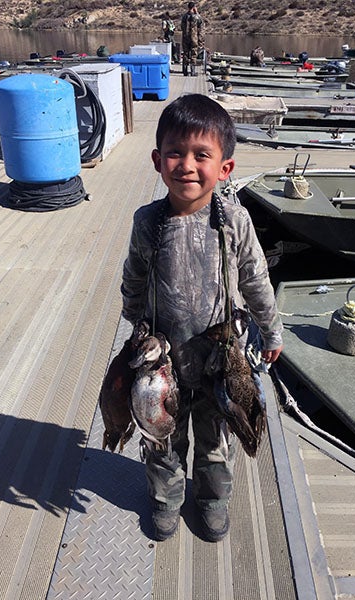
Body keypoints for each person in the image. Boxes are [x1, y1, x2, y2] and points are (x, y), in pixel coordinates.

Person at [121, 94, 283, 543]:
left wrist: (271, 329)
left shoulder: (234, 219)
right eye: (175, 152)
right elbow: (133, 276)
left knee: (216, 443)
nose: (186, 165)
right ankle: (166, 500)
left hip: (219, 359)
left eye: (201, 155)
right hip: (161, 361)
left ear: (225, 168)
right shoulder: (147, 221)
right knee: (162, 440)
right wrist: (133, 324)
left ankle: (212, 501)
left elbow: (255, 279)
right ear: (157, 160)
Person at [181, 1, 204, 76]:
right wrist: (197, 13)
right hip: (194, 38)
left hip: (185, 37)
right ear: (194, 7)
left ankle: (185, 71)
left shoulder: (184, 16)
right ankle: (192, 71)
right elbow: (201, 27)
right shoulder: (197, 17)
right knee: (193, 54)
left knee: (185, 53)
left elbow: (182, 27)